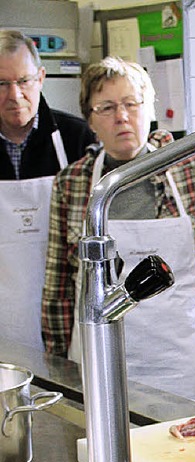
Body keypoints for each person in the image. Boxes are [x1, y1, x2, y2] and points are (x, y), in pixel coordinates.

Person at [42, 56, 195, 405]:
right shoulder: (73, 183)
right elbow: (58, 282)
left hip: (178, 362)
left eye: (131, 104)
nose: (121, 117)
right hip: (99, 357)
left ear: (149, 107)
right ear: (90, 120)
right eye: (106, 107)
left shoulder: (187, 167)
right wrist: (58, 363)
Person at [0, 30, 95, 350]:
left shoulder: (78, 139)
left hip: (68, 323)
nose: (14, 95)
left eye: (23, 81)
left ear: (41, 78)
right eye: (1, 84)